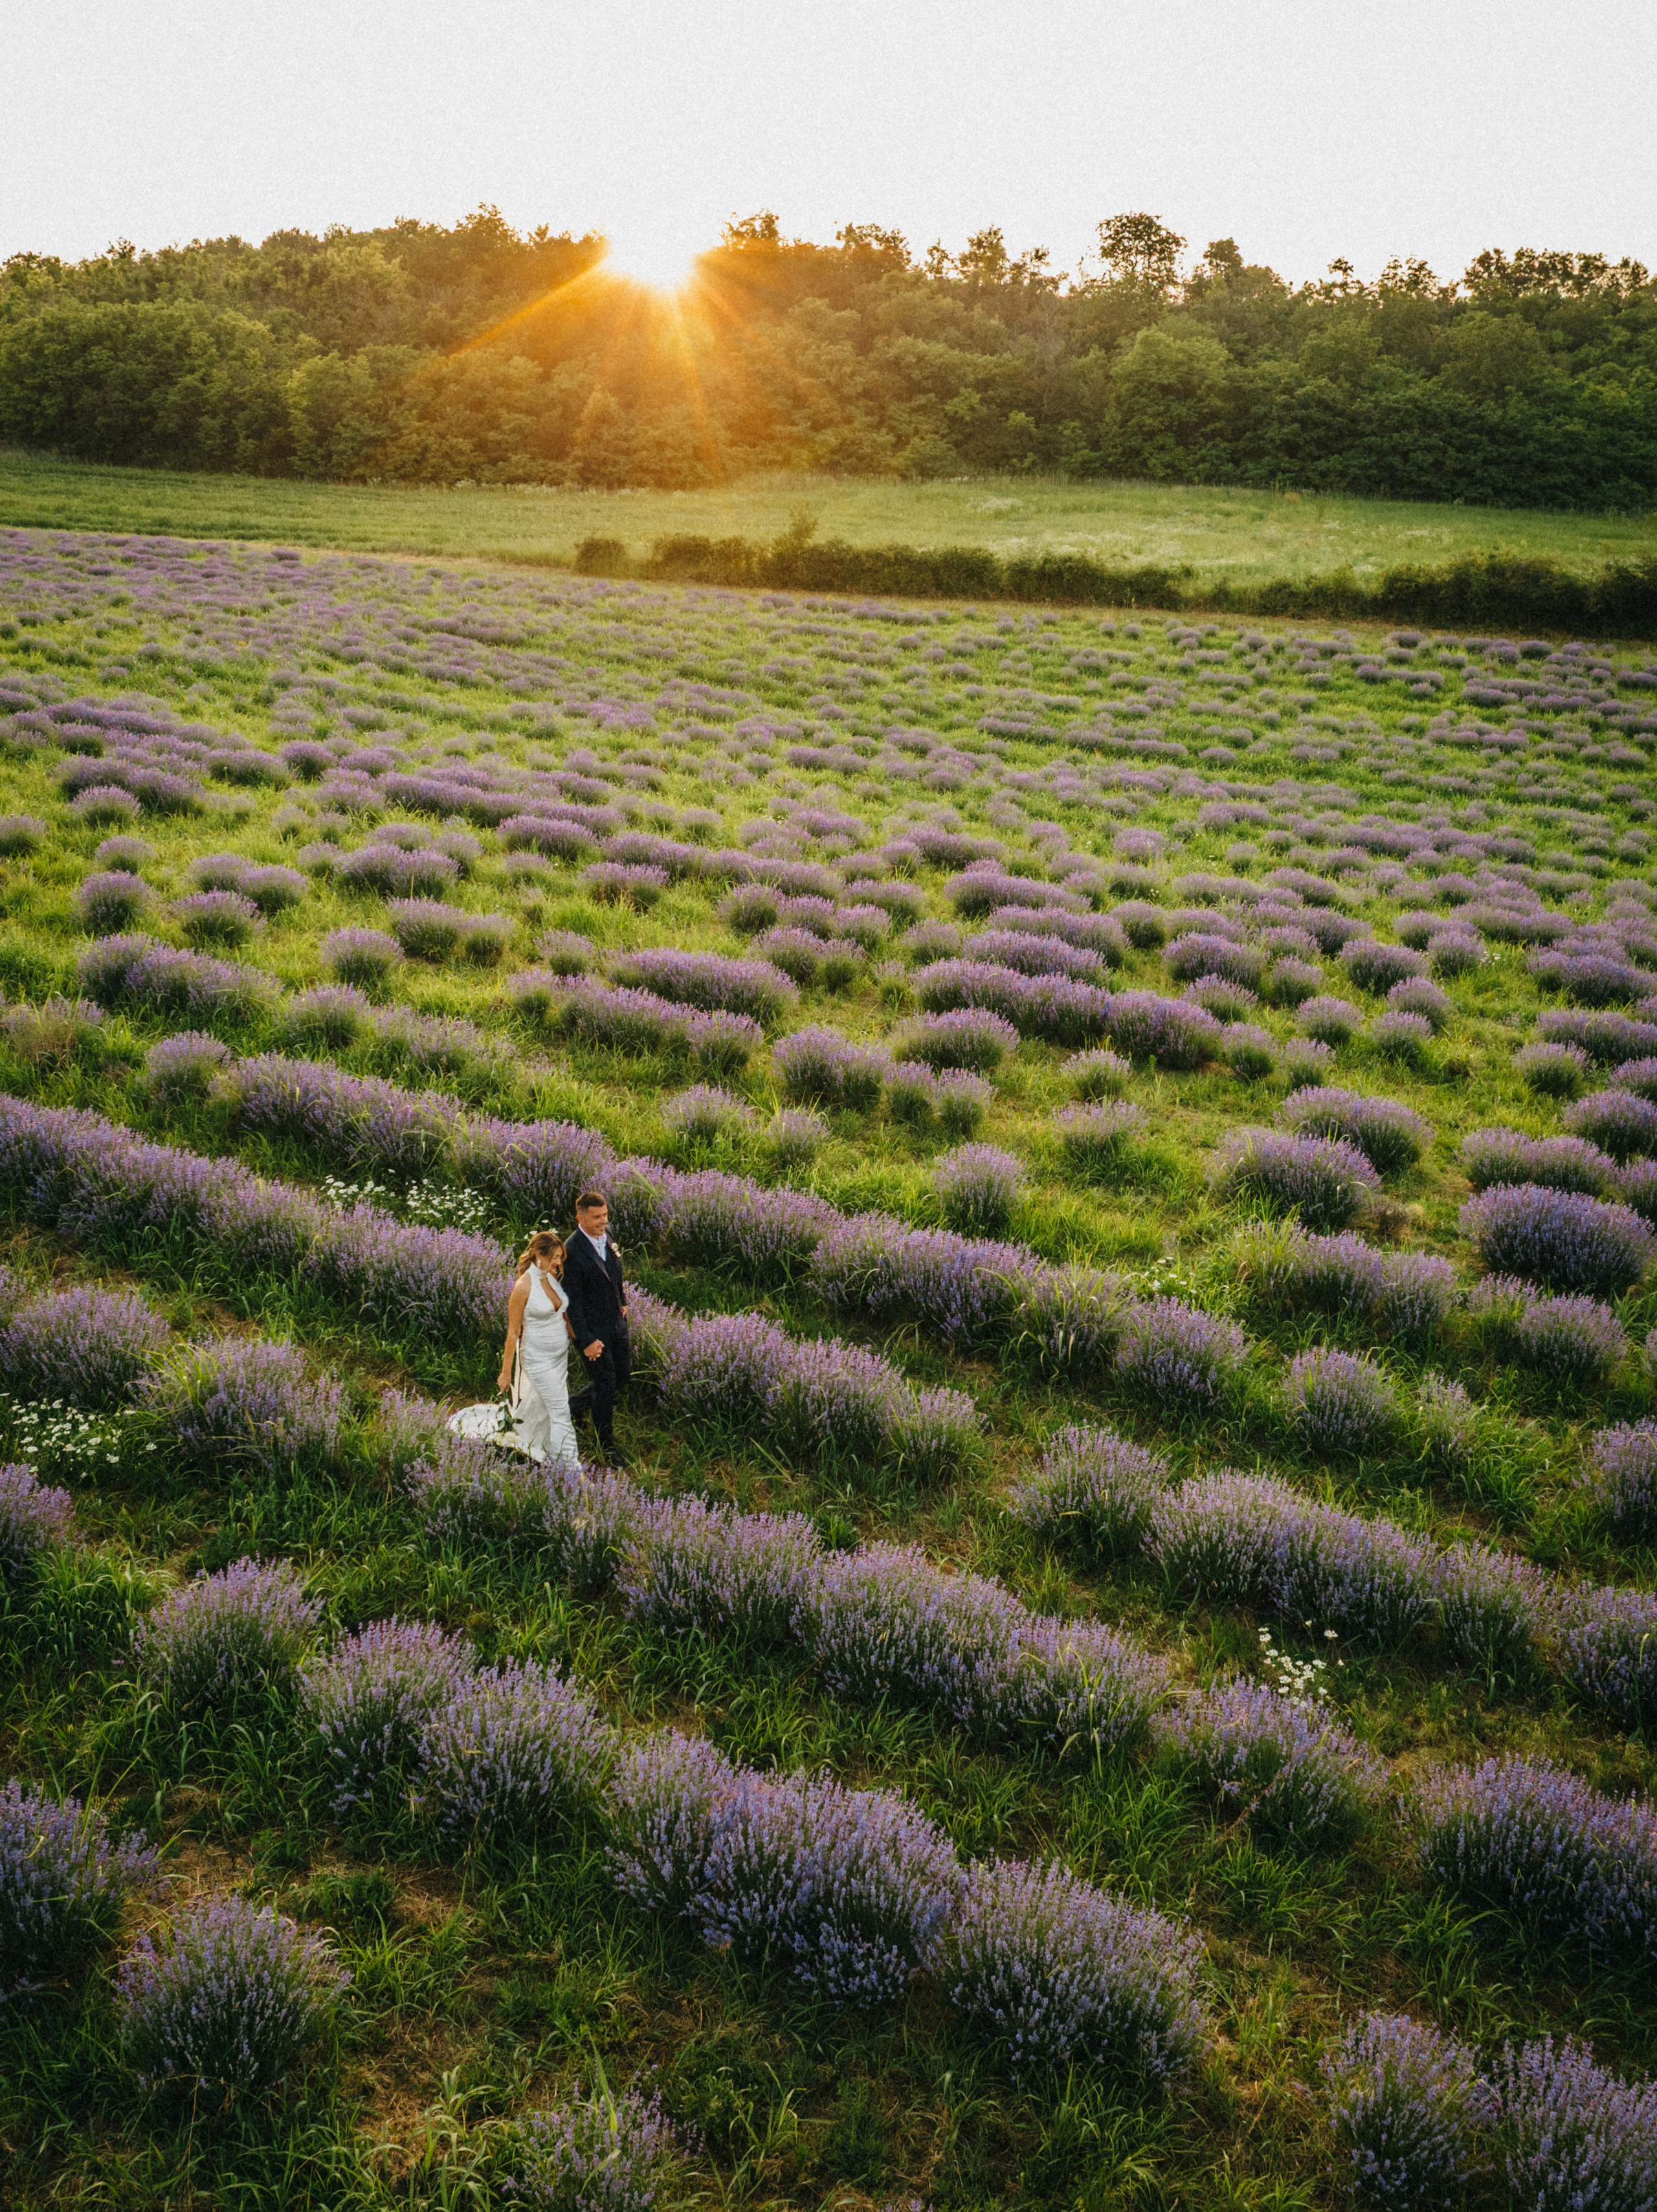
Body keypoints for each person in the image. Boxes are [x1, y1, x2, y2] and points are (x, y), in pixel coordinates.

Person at [497, 1231, 581, 1468]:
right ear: (538, 1255)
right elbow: (513, 1333)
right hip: (537, 1359)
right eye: (555, 1257)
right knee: (560, 1410)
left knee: (544, 1407)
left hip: (559, 1357)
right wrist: (505, 1372)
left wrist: (581, 1340)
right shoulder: (523, 1286)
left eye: (560, 1257)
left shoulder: (551, 1276)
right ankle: (569, 1468)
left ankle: (526, 1444)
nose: (558, 1262)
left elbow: (563, 1315)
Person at [561, 1188, 630, 1466]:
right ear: (580, 1218)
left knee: (622, 1378)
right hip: (592, 1332)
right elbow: (572, 1303)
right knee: (605, 1385)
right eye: (597, 1217)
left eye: (605, 1215)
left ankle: (573, 1407)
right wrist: (586, 1339)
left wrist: (622, 1301)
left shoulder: (607, 1235)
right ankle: (607, 1447)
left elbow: (616, 1272)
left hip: (616, 1323)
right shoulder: (572, 1250)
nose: (603, 1222)